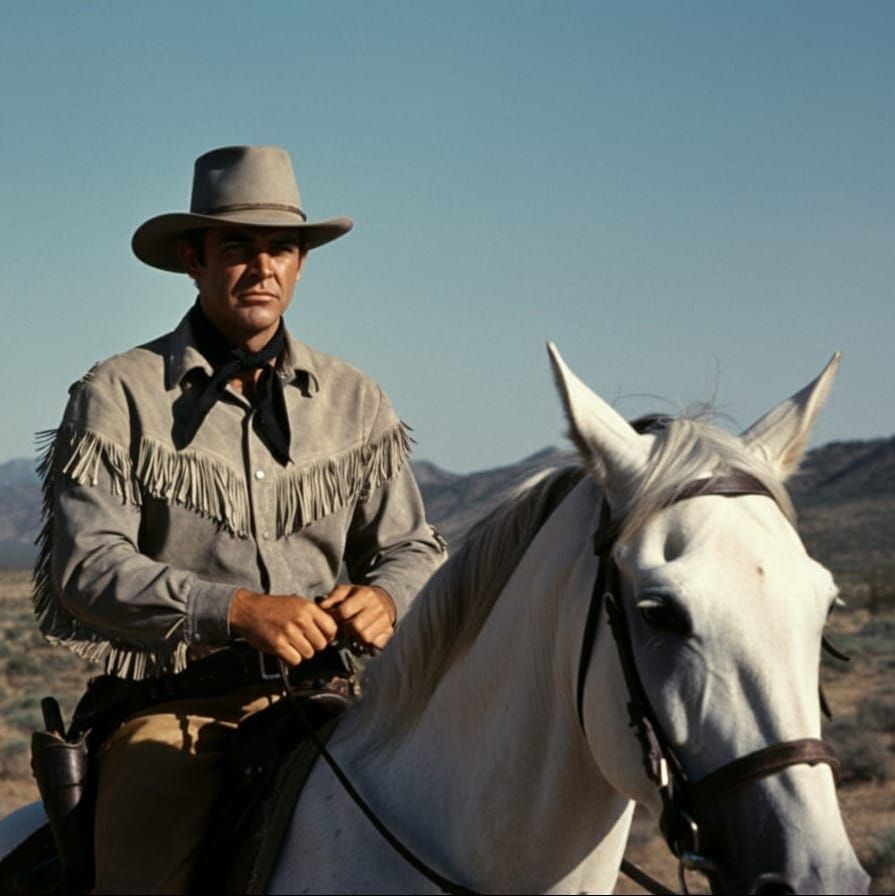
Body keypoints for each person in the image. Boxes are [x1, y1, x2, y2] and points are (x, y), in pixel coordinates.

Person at [33, 145, 446, 893]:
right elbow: (86, 566)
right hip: (181, 714)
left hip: (339, 702)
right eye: (237, 247)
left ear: (300, 264)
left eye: (280, 248)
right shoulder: (117, 393)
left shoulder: (355, 400)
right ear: (193, 259)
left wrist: (387, 597)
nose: (262, 267)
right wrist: (235, 610)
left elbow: (410, 544)